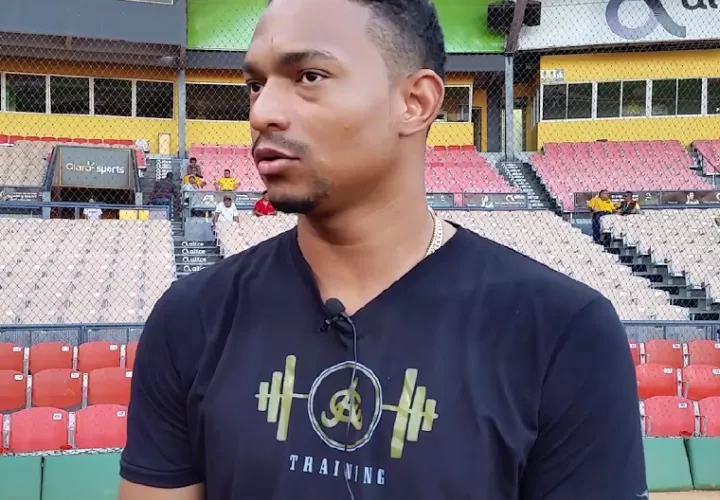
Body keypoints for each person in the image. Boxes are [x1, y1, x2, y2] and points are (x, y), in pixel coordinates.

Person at [119, 0, 646, 498]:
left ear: (415, 103)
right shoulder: (191, 318)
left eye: (309, 76)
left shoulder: (563, 334)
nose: (263, 113)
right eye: (256, 85)